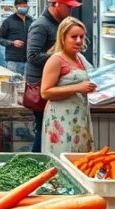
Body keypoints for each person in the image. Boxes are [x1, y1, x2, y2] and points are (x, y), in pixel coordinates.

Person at [26, 0, 82, 152]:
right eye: (68, 6)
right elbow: (33, 56)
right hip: (42, 87)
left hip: (56, 85)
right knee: (43, 129)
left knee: (52, 130)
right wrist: (62, 58)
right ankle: (38, 164)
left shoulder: (59, 25)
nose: (71, 10)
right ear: (56, 4)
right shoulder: (41, 26)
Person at [41, 17, 96, 154]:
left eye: (81, 37)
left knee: (80, 156)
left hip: (79, 118)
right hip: (61, 119)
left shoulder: (80, 58)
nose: (78, 41)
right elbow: (45, 92)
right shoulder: (56, 60)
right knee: (64, 154)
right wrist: (78, 88)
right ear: (63, 37)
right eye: (74, 37)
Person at [0, 0, 33, 75]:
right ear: (16, 7)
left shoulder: (30, 20)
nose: (24, 9)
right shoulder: (8, 21)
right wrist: (12, 43)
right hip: (13, 61)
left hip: (28, 60)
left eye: (25, 6)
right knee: (13, 84)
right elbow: (0, 39)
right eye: (21, 7)